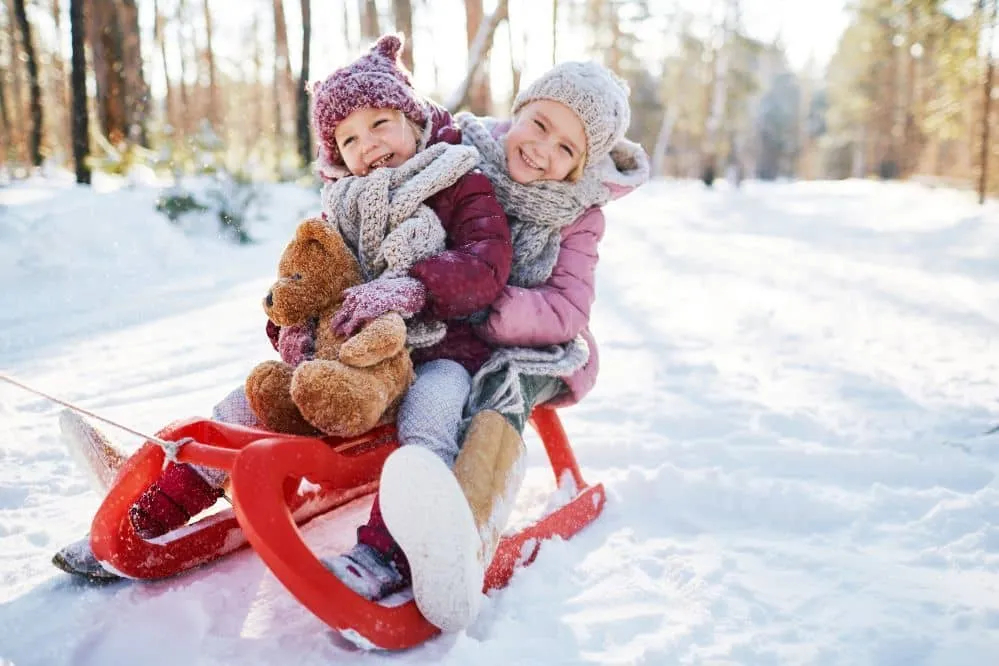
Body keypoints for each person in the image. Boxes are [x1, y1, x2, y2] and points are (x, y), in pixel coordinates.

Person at [54, 34, 514, 582]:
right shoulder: (337, 210)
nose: (368, 144)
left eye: (380, 124)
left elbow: (487, 264)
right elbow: (301, 284)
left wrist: (412, 287)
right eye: (349, 138)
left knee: (429, 426)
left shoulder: (459, 182)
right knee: (241, 407)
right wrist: (290, 330)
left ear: (413, 120)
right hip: (346, 363)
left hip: (440, 356)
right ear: (335, 155)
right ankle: (143, 522)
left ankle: (389, 553)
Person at [366, 61, 651, 632]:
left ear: (582, 166)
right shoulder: (463, 154)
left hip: (538, 343)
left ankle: (461, 538)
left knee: (501, 388)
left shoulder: (579, 216)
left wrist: (493, 309)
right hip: (452, 329)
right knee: (421, 377)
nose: (544, 150)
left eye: (567, 148)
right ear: (517, 112)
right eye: (540, 124)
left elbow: (568, 308)